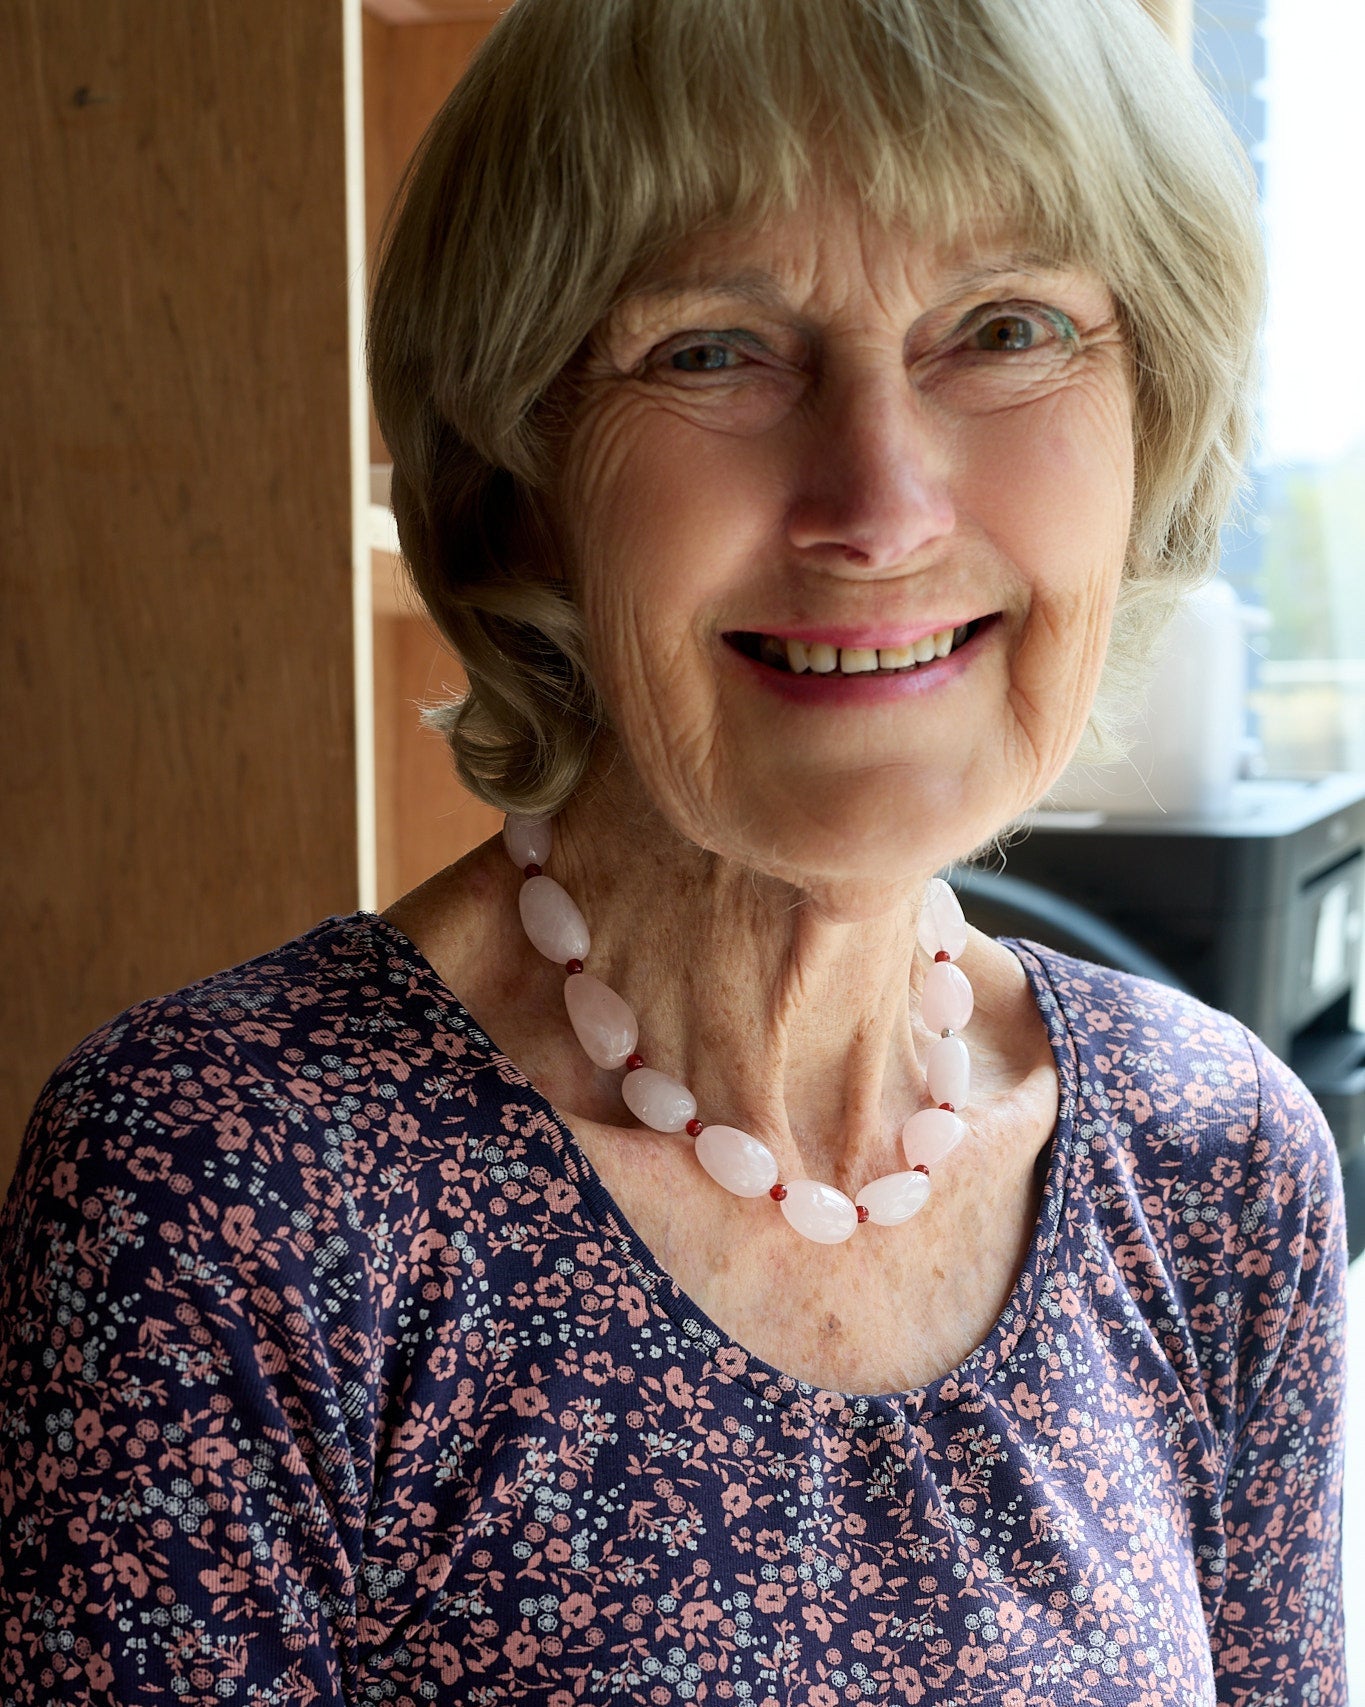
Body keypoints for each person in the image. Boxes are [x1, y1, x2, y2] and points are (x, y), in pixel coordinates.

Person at [0, 0, 1348, 1701]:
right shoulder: (232, 1188)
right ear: (517, 472)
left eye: (1004, 326)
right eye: (712, 347)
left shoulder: (1215, 1163)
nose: (878, 500)